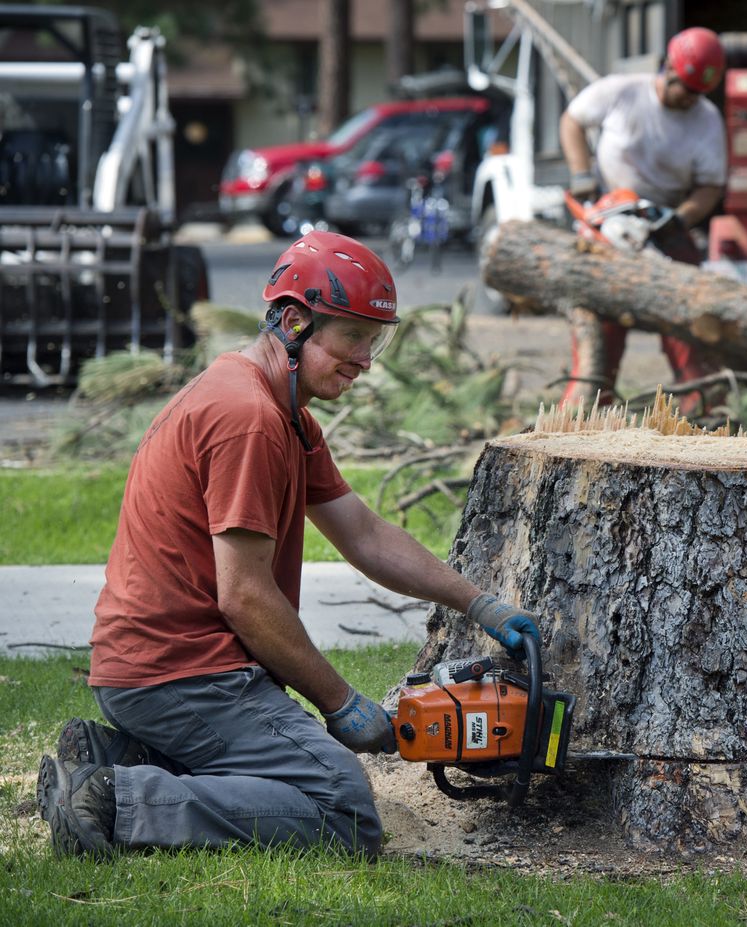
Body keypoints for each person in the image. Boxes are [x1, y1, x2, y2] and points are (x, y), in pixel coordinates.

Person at [35, 231, 540, 858]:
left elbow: (363, 533)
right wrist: (342, 704)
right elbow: (244, 596)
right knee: (344, 810)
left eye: (374, 339)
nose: (365, 359)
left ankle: (126, 753)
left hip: (167, 669)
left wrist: (480, 604)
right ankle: (115, 800)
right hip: (182, 675)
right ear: (295, 321)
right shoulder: (247, 418)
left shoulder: (284, 414)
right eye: (352, 336)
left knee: (297, 780)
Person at [558, 26, 728, 413]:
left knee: (689, 318)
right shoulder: (622, 92)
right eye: (683, 87)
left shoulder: (707, 121)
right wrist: (581, 174)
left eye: (696, 93)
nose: (688, 99)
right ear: (668, 68)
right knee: (601, 322)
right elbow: (572, 121)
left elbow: (710, 187)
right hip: (608, 216)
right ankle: (590, 405)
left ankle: (701, 406)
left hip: (665, 223)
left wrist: (678, 219)